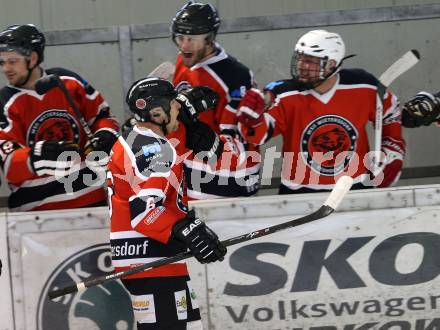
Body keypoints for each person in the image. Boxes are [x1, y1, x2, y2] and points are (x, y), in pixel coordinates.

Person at [107, 76, 226, 329]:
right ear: (157, 111)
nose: (179, 108)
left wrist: (184, 230)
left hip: (149, 259)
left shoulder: (137, 139)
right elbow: (144, 213)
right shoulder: (154, 148)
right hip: (151, 262)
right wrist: (185, 229)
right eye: (174, 103)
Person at [237, 29, 406, 194]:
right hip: (299, 192)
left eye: (310, 60)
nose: (302, 66)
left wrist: (392, 152)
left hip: (355, 189)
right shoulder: (283, 94)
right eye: (300, 58)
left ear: (332, 64)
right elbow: (257, 136)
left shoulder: (364, 85)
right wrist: (252, 120)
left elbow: (391, 111)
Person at [0, 24, 119, 211]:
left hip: (92, 202)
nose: (6, 68)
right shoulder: (4, 102)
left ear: (32, 58)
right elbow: (8, 164)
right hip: (35, 214)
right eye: (2, 62)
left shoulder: (68, 82)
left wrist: (105, 135)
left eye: (12, 61)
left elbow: (102, 117)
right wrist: (35, 157)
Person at [171, 1, 261, 199]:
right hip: (188, 176)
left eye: (192, 39)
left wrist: (203, 140)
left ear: (209, 39)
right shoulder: (184, 60)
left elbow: (244, 143)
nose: (184, 45)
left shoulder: (235, 77)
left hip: (224, 184)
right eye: (180, 38)